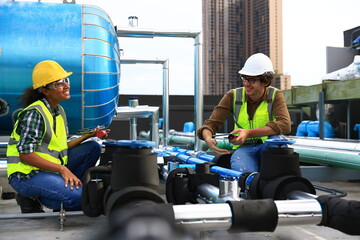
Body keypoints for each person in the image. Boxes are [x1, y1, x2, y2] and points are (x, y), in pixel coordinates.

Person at [6, 60, 108, 213]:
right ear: (45, 90)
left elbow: (61, 146)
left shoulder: (58, 111)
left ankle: (65, 188)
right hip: (27, 174)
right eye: (59, 84)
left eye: (66, 80)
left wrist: (88, 136)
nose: (66, 86)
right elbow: (26, 156)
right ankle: (32, 196)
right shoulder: (34, 114)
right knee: (81, 199)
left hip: (49, 169)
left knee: (93, 147)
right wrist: (62, 169)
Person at [197, 53, 291, 172]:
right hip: (244, 150)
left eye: (251, 80)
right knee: (245, 176)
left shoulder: (275, 95)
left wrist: (248, 133)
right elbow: (211, 124)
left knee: (278, 142)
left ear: (265, 81)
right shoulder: (233, 96)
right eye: (244, 78)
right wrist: (208, 138)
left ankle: (277, 183)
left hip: (267, 146)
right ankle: (250, 186)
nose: (246, 84)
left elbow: (285, 124)